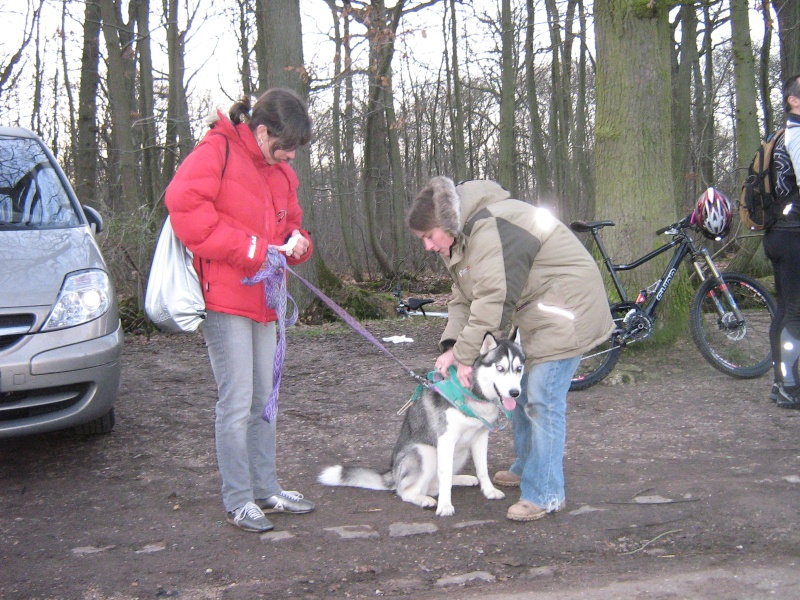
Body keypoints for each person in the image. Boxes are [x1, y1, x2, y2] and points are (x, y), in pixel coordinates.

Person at [406, 177, 615, 521]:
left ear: (445, 223)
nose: (428, 246)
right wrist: (452, 347)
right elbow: (463, 298)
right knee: (515, 395)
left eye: (429, 237)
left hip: (565, 310)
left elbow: (493, 301)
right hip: (534, 312)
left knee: (542, 400)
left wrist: (464, 354)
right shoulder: (460, 239)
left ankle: (545, 492)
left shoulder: (491, 229)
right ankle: (525, 466)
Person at [165, 89, 316, 532]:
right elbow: (184, 208)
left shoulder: (280, 171)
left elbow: (290, 223)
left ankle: (266, 489)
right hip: (225, 298)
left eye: (295, 150)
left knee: (264, 399)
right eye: (284, 145)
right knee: (236, 402)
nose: (289, 156)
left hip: (266, 300)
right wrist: (249, 247)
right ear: (263, 130)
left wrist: (298, 243)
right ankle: (238, 499)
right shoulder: (217, 150)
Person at [765, 74, 800, 409]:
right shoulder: (797, 135)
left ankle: (783, 383)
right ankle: (789, 386)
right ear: (793, 100)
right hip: (793, 236)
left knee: (786, 310)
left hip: (778, 234)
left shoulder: (776, 136)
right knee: (795, 312)